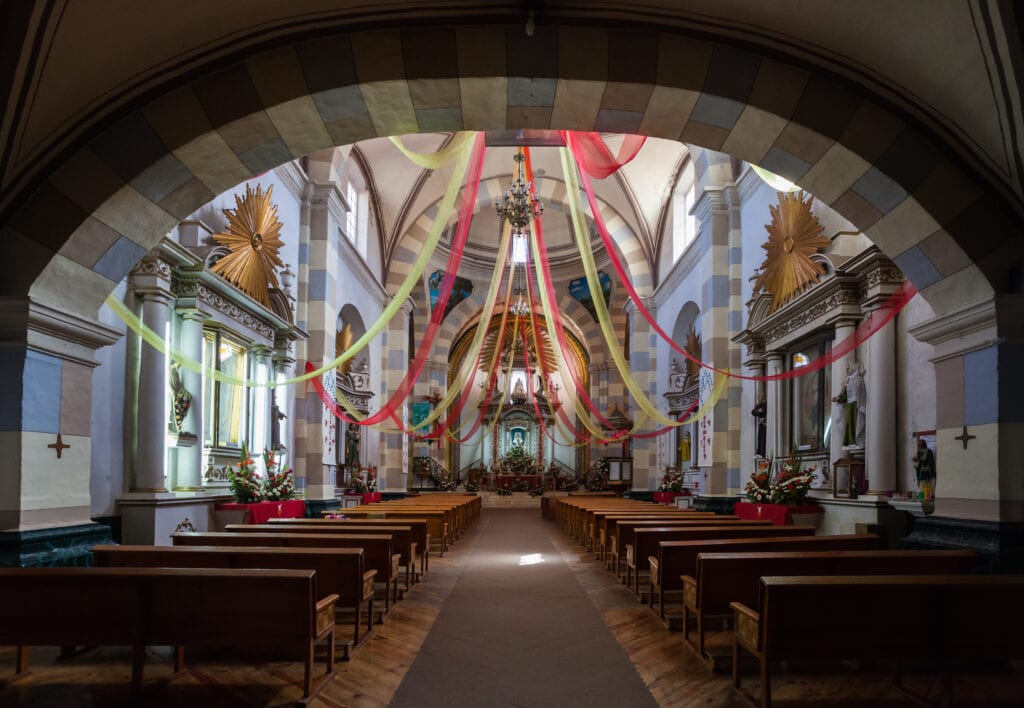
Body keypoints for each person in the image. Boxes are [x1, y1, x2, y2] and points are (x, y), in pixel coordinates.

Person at [832, 360, 866, 448]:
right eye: (846, 369)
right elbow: (846, 395)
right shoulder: (850, 380)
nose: (846, 370)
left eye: (848, 368)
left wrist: (847, 385)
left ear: (853, 368)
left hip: (857, 406)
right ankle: (853, 443)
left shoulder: (858, 379)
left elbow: (856, 390)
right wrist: (838, 398)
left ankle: (859, 442)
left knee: (858, 425)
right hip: (850, 406)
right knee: (851, 426)